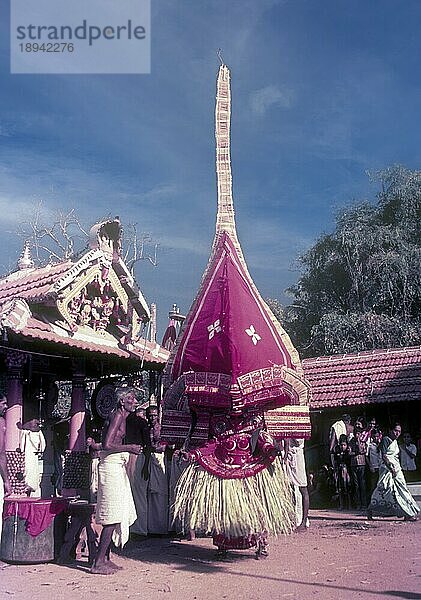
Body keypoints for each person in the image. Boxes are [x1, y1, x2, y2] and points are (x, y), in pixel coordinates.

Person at [91, 387, 142, 575]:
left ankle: (105, 558)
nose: (135, 402)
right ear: (122, 402)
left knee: (117, 511)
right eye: (131, 398)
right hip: (110, 467)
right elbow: (106, 445)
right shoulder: (118, 417)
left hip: (114, 466)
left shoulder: (121, 417)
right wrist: (130, 448)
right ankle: (97, 562)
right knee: (111, 514)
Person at [368, 423, 419, 521]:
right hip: (387, 469)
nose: (397, 433)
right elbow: (384, 456)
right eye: (396, 430)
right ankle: (371, 509)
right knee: (384, 489)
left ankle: (407, 512)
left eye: (399, 431)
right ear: (390, 430)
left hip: (396, 468)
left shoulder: (395, 441)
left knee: (402, 489)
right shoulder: (386, 440)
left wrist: (395, 468)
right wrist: (391, 468)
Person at [284, 438, 310, 531]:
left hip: (297, 457)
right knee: (290, 488)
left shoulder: (299, 427)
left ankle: (304, 521)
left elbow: (297, 441)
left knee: (303, 489)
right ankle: (294, 519)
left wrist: (289, 435)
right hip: (290, 458)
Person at [19, 414, 46, 497]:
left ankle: (29, 490)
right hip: (28, 456)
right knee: (27, 473)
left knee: (32, 475)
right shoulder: (25, 432)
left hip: (33, 457)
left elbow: (42, 446)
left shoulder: (37, 433)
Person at [0, 394, 12, 541]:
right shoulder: (1, 421)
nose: (6, 407)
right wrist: (6, 480)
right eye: (3, 404)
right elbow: (1, 453)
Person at [349, 424, 368, 509]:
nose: (357, 435)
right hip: (354, 464)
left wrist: (359, 442)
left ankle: (364, 504)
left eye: (359, 434)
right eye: (356, 433)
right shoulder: (351, 442)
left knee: (362, 485)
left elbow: (362, 451)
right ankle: (358, 504)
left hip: (362, 464)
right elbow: (350, 453)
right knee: (356, 485)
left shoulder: (363, 442)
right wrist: (356, 452)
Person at [333, 435, 352, 510]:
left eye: (344, 445)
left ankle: (349, 505)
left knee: (348, 487)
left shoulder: (348, 452)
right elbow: (335, 461)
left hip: (347, 471)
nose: (342, 447)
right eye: (341, 445)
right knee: (340, 488)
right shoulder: (337, 450)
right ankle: (341, 505)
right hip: (339, 470)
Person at [366, 428, 382, 497]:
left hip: (381, 467)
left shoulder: (381, 444)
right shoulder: (369, 445)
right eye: (374, 436)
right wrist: (370, 466)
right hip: (373, 467)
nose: (376, 438)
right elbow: (366, 456)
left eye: (377, 436)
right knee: (373, 485)